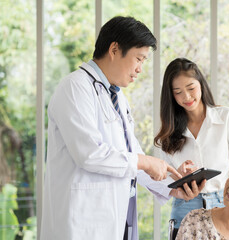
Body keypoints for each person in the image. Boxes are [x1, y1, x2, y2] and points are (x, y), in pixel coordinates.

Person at [40, 16, 201, 240]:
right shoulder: (75, 87)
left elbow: (131, 156)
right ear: (114, 49)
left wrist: (172, 185)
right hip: (82, 224)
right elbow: (89, 154)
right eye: (139, 58)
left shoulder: (116, 96)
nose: (140, 69)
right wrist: (145, 162)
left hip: (117, 219)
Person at [154, 58, 229, 237]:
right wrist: (179, 178)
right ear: (171, 95)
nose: (187, 97)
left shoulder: (227, 118)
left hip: (225, 201)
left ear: (201, 85)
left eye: (191, 88)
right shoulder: (168, 133)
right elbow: (162, 181)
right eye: (178, 92)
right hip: (185, 205)